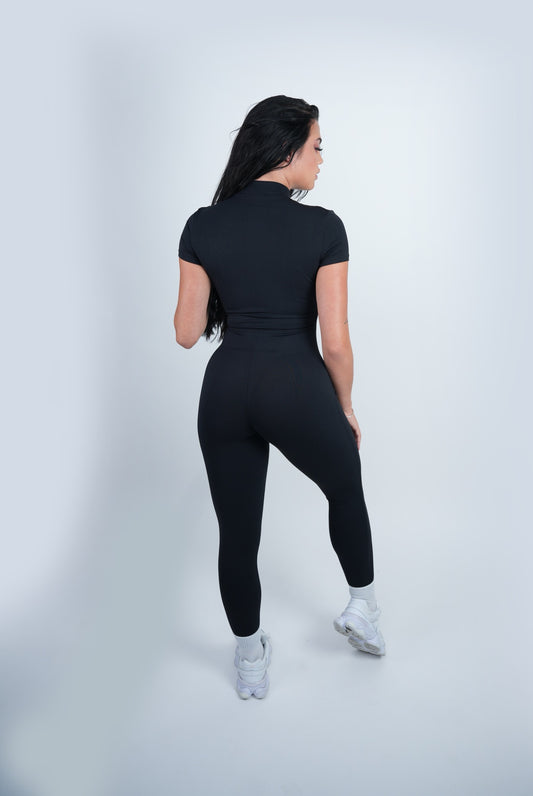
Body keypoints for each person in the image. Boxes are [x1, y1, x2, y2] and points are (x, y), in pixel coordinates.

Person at [174, 95, 386, 700]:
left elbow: (187, 333)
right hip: (293, 382)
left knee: (237, 534)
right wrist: (344, 407)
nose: (320, 159)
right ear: (288, 149)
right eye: (317, 146)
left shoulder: (202, 224)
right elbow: (335, 343)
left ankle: (249, 660)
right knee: (345, 485)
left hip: (225, 389)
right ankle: (363, 607)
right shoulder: (323, 227)